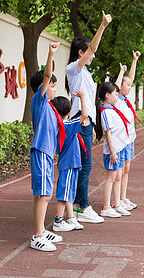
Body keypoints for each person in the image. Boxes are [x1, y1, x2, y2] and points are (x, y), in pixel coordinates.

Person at [65, 11, 112, 224]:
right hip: (79, 121)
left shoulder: (85, 73)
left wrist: (92, 124)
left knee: (83, 166)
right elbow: (93, 48)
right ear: (81, 52)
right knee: (84, 166)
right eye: (90, 52)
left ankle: (76, 205)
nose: (93, 55)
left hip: (85, 122)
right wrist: (102, 26)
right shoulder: (74, 68)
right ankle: (82, 206)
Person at [29, 42, 64, 252]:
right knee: (45, 195)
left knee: (41, 194)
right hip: (41, 152)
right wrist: (51, 54)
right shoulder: (39, 101)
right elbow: (47, 76)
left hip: (46, 155)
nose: (54, 88)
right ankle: (38, 236)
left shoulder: (50, 107)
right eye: (52, 85)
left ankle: (41, 229)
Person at [50, 88, 89, 232]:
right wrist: (83, 97)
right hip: (69, 164)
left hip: (70, 164)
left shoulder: (62, 125)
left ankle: (71, 218)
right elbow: (84, 114)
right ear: (68, 111)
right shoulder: (66, 126)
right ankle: (58, 222)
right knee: (63, 194)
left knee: (68, 193)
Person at [110, 51, 141, 211]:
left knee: (126, 169)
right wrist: (121, 72)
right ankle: (117, 201)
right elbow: (115, 85)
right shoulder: (116, 100)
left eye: (129, 85)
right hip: (120, 140)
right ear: (119, 86)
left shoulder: (127, 98)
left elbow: (131, 78)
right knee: (119, 171)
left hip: (130, 138)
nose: (129, 87)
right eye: (127, 85)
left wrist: (134, 61)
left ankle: (123, 197)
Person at [95, 82, 131, 218]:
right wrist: (112, 152)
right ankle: (106, 207)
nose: (117, 97)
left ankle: (117, 204)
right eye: (115, 94)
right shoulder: (105, 112)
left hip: (120, 148)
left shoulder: (112, 109)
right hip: (114, 151)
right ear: (107, 95)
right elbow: (108, 133)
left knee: (117, 176)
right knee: (110, 178)